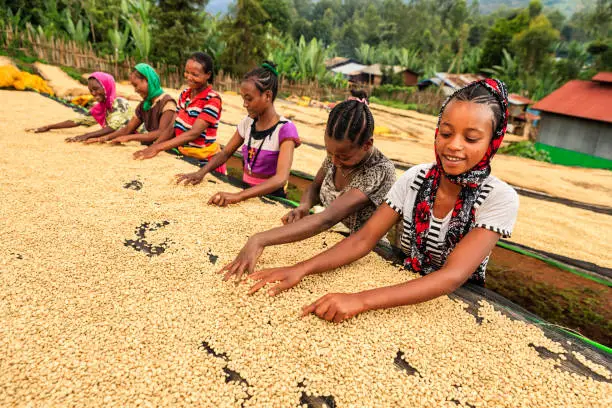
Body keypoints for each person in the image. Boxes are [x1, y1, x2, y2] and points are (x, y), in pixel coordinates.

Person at [245, 79, 519, 324]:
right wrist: (300, 269)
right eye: (446, 133)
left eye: (471, 138)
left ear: (493, 141)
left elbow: (451, 277)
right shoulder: (416, 179)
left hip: (460, 305)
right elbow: (364, 239)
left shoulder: (498, 198)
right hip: (399, 278)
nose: (454, 146)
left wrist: (360, 300)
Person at [218, 90, 396, 281]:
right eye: (330, 153)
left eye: (343, 157)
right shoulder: (337, 155)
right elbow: (314, 188)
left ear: (367, 145)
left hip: (362, 251)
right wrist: (304, 206)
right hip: (329, 236)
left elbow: (327, 218)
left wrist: (259, 239)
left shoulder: (379, 170)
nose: (334, 161)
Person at [175, 61, 301, 206]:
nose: (245, 104)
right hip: (245, 191)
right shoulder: (248, 123)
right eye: (243, 99)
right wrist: (201, 172)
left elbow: (281, 178)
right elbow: (225, 153)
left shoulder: (285, 129)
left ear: (267, 96)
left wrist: (239, 196)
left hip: (271, 200)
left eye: (249, 99)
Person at [131, 52, 225, 176]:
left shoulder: (212, 99)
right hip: (184, 155)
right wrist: (154, 146)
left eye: (195, 74)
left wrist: (158, 148)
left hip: (204, 160)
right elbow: (172, 127)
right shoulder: (185, 94)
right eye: (187, 72)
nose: (189, 77)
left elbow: (194, 133)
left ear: (208, 75)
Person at [84, 63, 176, 145]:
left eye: (136, 85)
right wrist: (103, 138)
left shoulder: (167, 102)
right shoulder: (143, 106)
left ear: (147, 80)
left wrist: (130, 137)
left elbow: (161, 133)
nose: (135, 90)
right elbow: (128, 129)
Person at [26, 72, 132, 142]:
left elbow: (113, 127)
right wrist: (49, 127)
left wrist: (86, 135)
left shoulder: (120, 103)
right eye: (91, 90)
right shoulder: (100, 108)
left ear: (107, 87)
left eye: (96, 89)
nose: (94, 93)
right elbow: (78, 121)